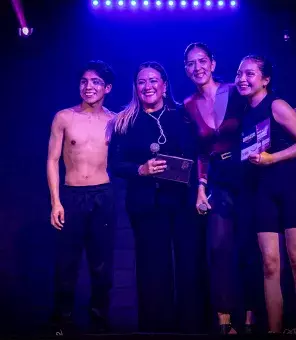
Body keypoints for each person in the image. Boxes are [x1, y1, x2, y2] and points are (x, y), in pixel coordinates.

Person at [110, 61, 206, 334]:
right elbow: (115, 164)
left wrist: (199, 185)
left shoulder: (183, 115)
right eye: (141, 81)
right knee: (153, 268)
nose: (147, 86)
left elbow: (198, 153)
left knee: (189, 264)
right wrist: (140, 169)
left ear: (164, 85)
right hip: (146, 205)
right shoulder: (124, 121)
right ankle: (156, 328)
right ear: (135, 88)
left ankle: (193, 327)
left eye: (153, 80)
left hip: (183, 201)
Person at [235, 55, 296, 334]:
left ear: (265, 80)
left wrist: (273, 158)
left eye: (249, 74)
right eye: (239, 74)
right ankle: (274, 330)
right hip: (263, 189)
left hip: (295, 185)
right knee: (269, 263)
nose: (242, 79)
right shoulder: (245, 114)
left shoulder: (277, 105)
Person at [183, 42, 258, 335]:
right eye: (191, 63)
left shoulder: (234, 90)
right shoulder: (188, 105)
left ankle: (252, 317)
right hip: (217, 180)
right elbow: (201, 152)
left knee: (250, 247)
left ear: (213, 63)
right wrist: (201, 187)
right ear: (186, 70)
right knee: (219, 248)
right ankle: (225, 319)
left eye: (202, 61)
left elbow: (257, 118)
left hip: (248, 174)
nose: (197, 67)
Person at [47, 60, 115, 335]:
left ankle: (99, 320)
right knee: (66, 263)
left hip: (103, 196)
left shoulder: (114, 119)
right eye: (84, 81)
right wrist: (55, 202)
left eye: (96, 82)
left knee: (101, 265)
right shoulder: (64, 117)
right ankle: (62, 321)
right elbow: (52, 160)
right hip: (72, 195)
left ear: (107, 88)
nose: (89, 87)